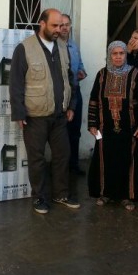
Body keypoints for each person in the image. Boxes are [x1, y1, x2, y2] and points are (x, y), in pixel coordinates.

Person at [9, 8, 80, 214]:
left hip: (59, 115)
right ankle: (39, 197)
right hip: (35, 117)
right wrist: (19, 113)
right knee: (37, 159)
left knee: (62, 156)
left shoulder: (62, 47)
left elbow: (70, 78)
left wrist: (71, 105)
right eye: (54, 25)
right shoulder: (25, 48)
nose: (59, 29)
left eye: (61, 25)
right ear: (42, 24)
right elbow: (16, 83)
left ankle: (61, 194)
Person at [87, 40, 138, 211]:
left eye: (121, 53)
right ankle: (105, 193)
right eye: (114, 53)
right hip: (104, 128)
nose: (118, 57)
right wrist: (92, 124)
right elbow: (94, 100)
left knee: (127, 161)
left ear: (125, 55)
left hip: (129, 130)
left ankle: (127, 196)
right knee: (104, 159)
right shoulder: (102, 75)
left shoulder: (135, 74)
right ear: (110, 55)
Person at [59, 14, 87, 176]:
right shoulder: (53, 47)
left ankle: (73, 165)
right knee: (59, 133)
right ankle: (60, 168)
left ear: (70, 26)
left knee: (75, 131)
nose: (64, 27)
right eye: (61, 24)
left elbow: (80, 65)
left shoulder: (74, 46)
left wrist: (82, 72)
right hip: (60, 95)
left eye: (67, 24)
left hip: (75, 92)